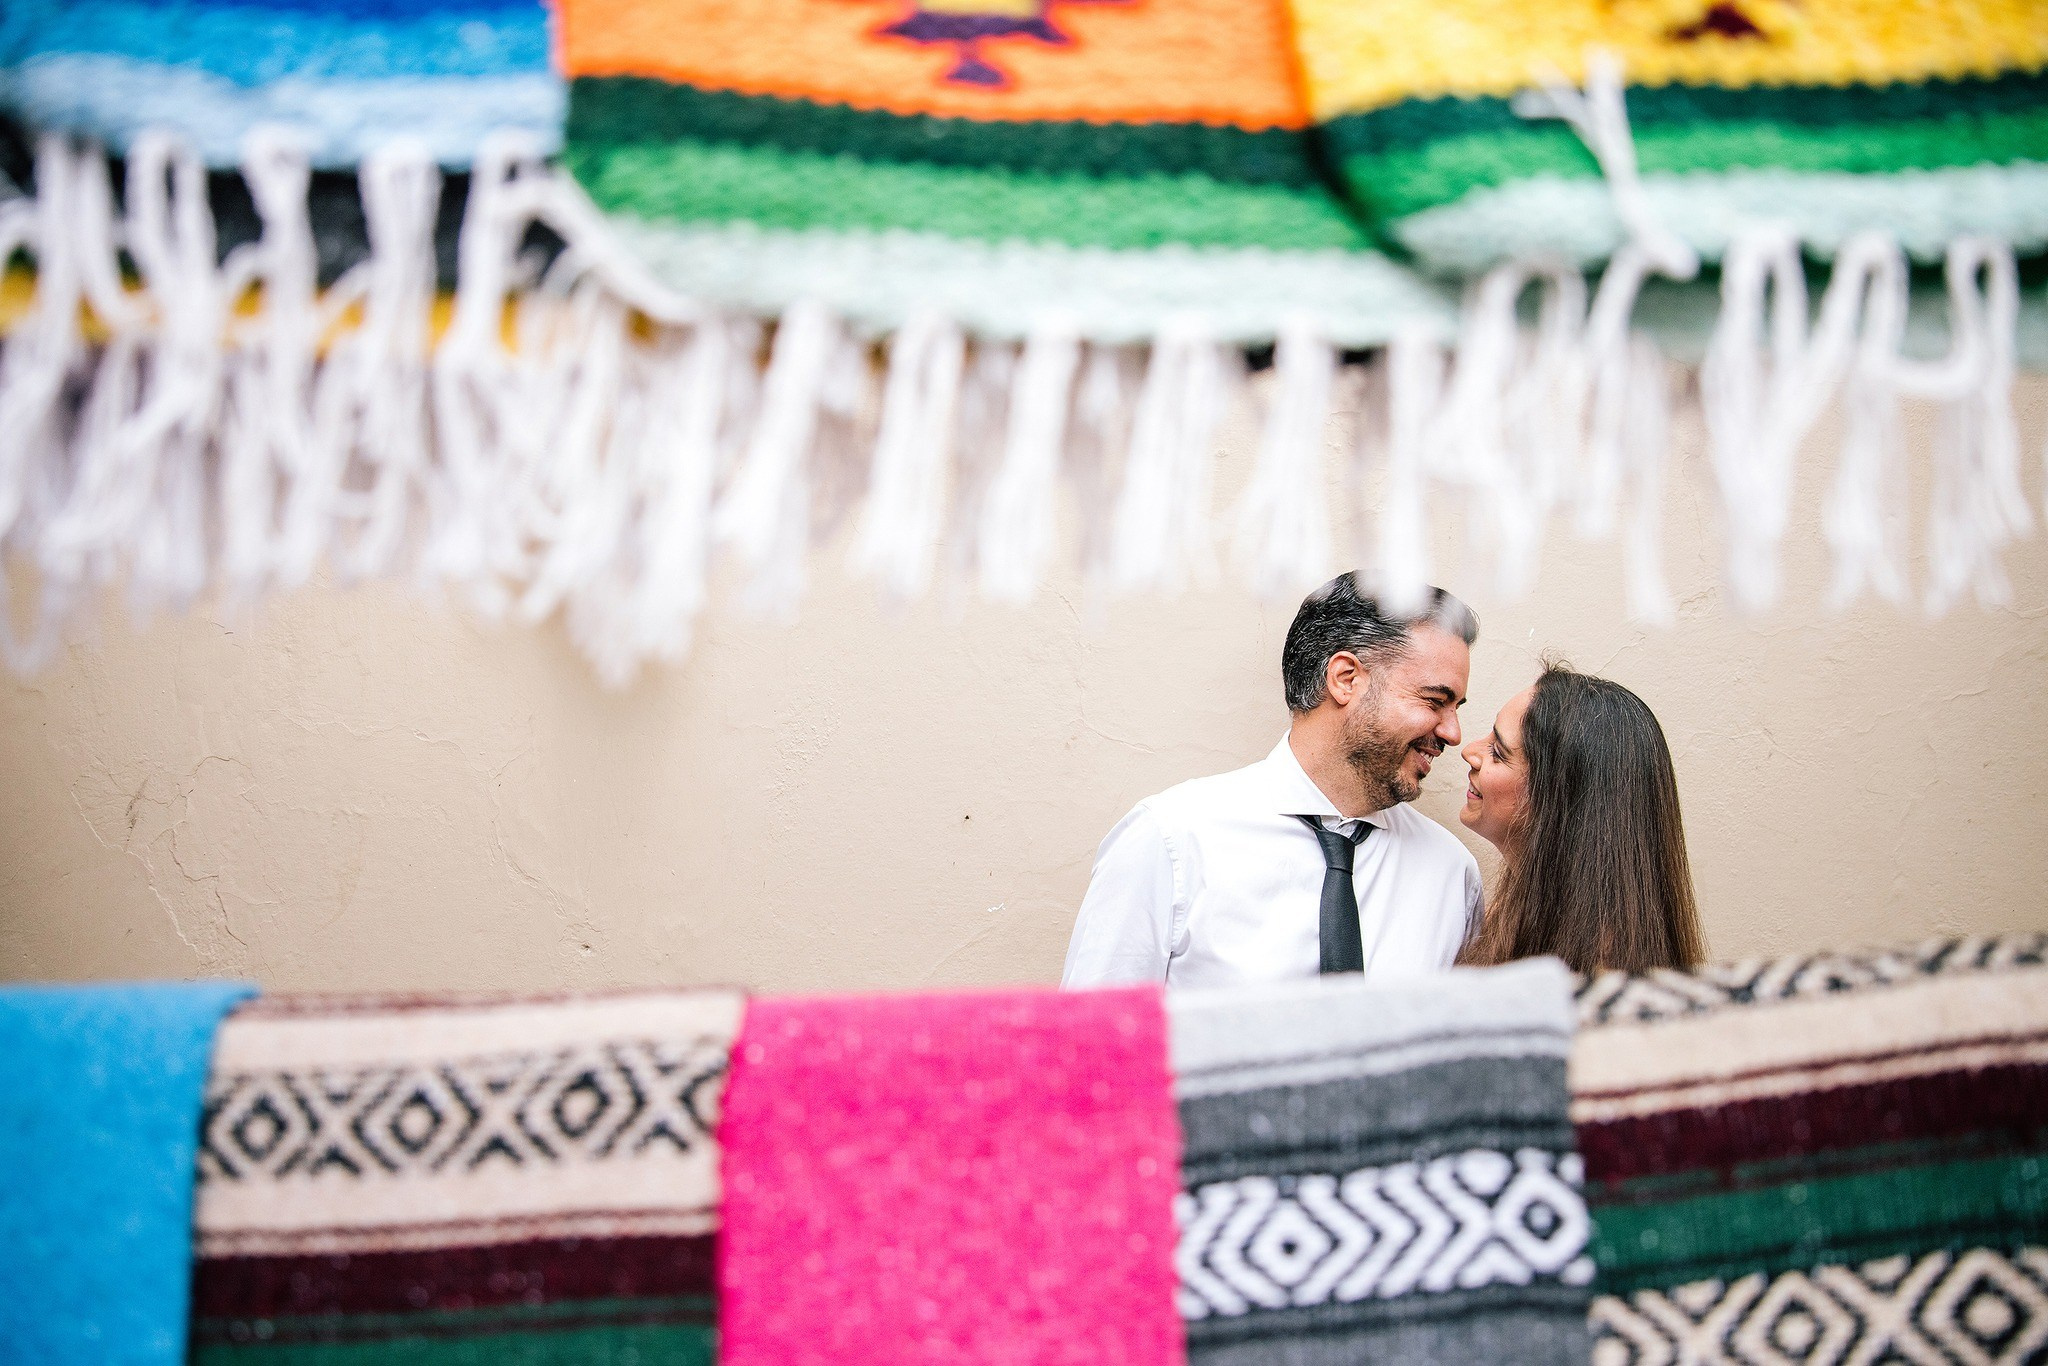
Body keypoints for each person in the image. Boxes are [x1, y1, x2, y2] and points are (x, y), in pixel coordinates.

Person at [1061, 574, 1483, 989]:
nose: (1453, 733)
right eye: (1434, 701)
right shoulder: (1171, 841)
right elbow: (1089, 1047)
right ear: (1346, 679)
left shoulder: (1451, 875)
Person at [1456, 661, 1706, 974]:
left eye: (1498, 751)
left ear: (1554, 800)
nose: (1469, 751)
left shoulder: (1599, 972)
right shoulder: (1509, 916)